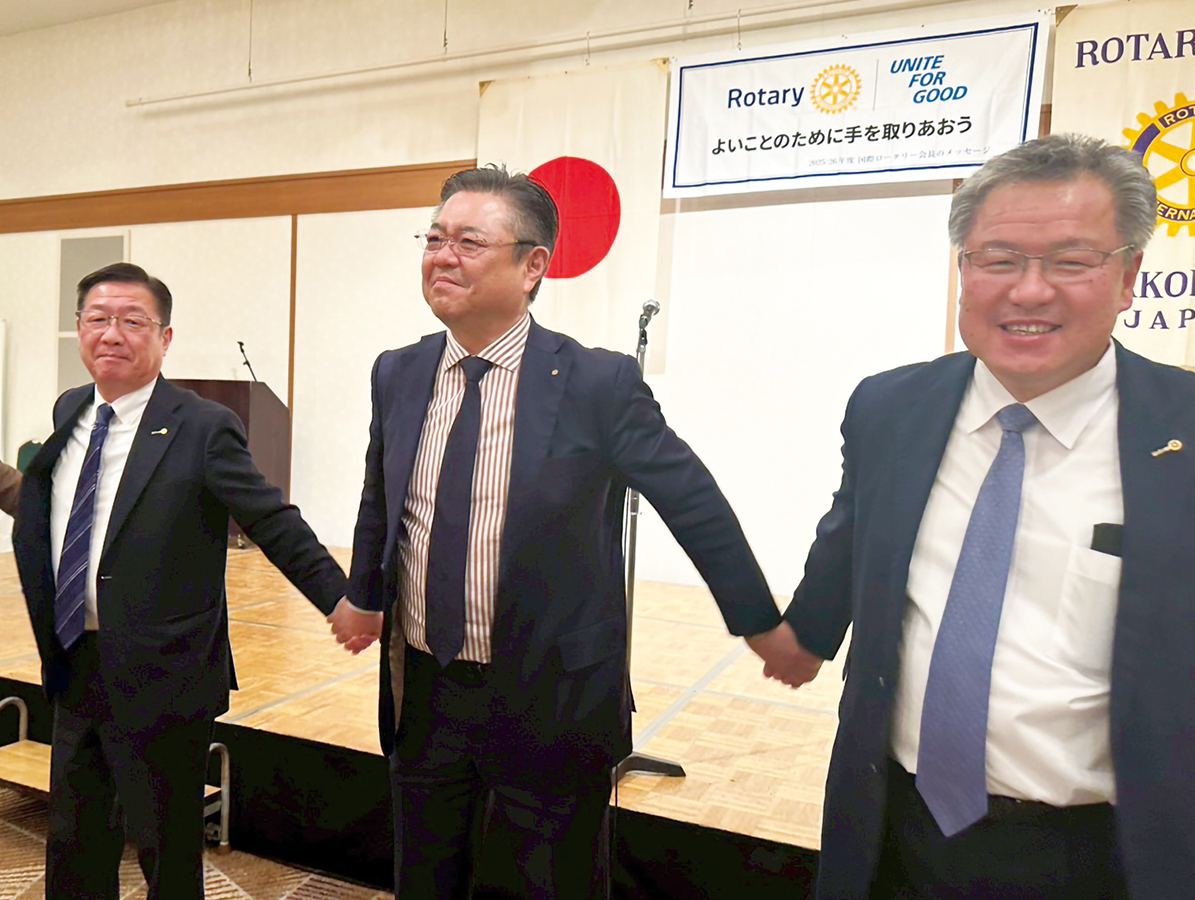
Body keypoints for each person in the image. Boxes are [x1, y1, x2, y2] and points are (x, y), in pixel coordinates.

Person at [335, 165, 798, 898]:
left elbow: (692, 501)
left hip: (550, 695)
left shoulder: (595, 383)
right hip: (426, 690)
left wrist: (760, 622)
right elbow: (382, 497)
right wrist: (365, 596)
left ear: (533, 267)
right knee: (424, 880)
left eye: (468, 242)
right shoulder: (398, 371)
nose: (442, 256)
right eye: (434, 238)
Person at [766, 133, 1194, 899]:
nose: (1028, 292)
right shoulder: (891, 405)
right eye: (998, 259)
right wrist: (803, 633)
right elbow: (853, 533)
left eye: (1071, 261)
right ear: (963, 269)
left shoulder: (1182, 433)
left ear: (1129, 276)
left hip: (1101, 853)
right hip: (895, 828)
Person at [12, 263, 377, 900]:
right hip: (76, 661)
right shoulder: (71, 408)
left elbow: (271, 520)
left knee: (166, 850)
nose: (112, 333)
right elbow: (62, 506)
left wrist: (340, 598)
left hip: (165, 674)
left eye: (133, 321)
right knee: (74, 839)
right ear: (79, 329)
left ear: (165, 337)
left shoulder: (202, 425)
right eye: (98, 319)